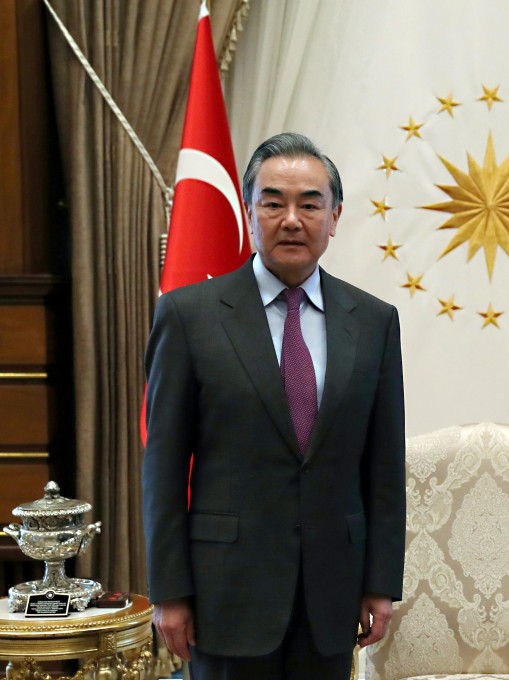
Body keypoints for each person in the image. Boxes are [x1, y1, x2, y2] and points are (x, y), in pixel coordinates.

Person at [142, 132, 406, 679]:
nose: (292, 219)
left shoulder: (374, 322)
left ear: (334, 216)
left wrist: (381, 583)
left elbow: (383, 467)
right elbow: (164, 468)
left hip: (332, 594)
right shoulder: (189, 317)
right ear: (249, 211)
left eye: (310, 203)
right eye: (273, 202)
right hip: (225, 595)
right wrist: (169, 592)